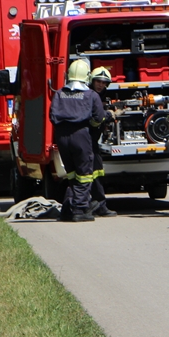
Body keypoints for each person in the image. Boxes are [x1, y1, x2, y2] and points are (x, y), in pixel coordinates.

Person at [49, 59, 106, 222]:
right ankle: (79, 210)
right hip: (81, 136)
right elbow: (99, 117)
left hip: (61, 137)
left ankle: (68, 208)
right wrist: (91, 127)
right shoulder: (91, 95)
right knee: (85, 174)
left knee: (72, 174)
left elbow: (52, 116)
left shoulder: (59, 93)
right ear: (86, 77)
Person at [87, 67, 117, 217]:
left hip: (92, 141)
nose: (101, 85)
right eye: (98, 81)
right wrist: (109, 115)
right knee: (89, 174)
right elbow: (95, 118)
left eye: (104, 83)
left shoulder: (98, 95)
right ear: (92, 81)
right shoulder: (90, 95)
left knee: (96, 172)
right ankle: (96, 206)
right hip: (87, 141)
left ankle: (98, 204)